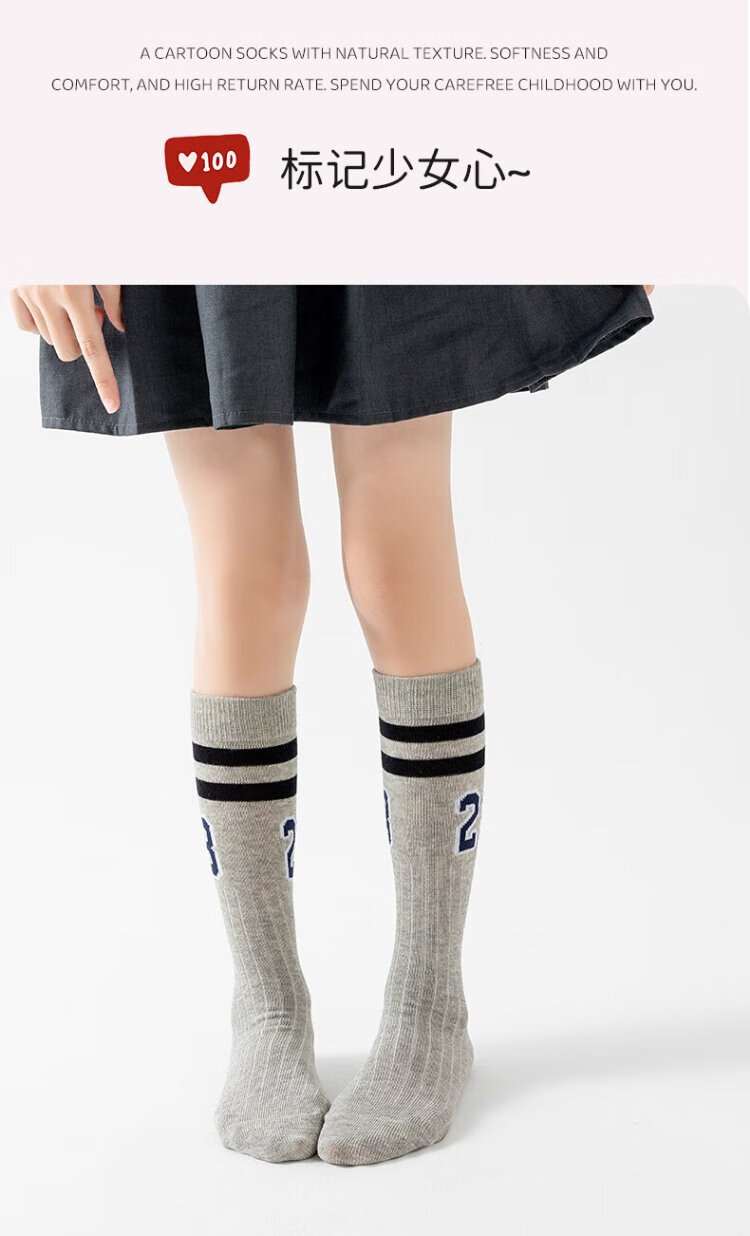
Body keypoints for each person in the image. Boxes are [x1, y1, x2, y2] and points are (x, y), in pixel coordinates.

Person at [10, 283, 654, 1166]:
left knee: (394, 557)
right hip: (176, 199)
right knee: (245, 573)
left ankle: (429, 998)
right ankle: (266, 1002)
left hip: (373, 195)